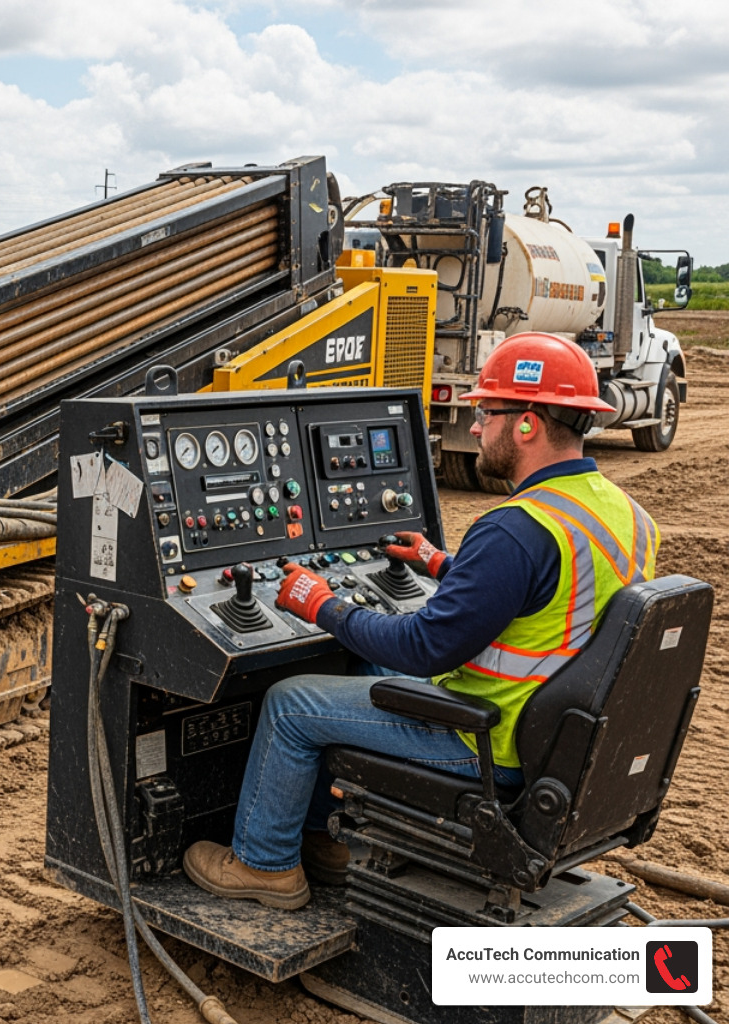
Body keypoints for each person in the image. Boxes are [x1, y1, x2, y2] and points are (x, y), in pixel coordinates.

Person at [182, 333, 659, 910]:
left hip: (485, 740)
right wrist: (442, 564)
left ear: (527, 424)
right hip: (551, 736)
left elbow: (424, 647)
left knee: (290, 703)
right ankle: (324, 844)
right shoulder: (623, 513)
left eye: (487, 413)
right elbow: (549, 593)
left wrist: (320, 604)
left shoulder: (515, 527)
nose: (477, 427)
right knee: (364, 660)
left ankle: (265, 867)